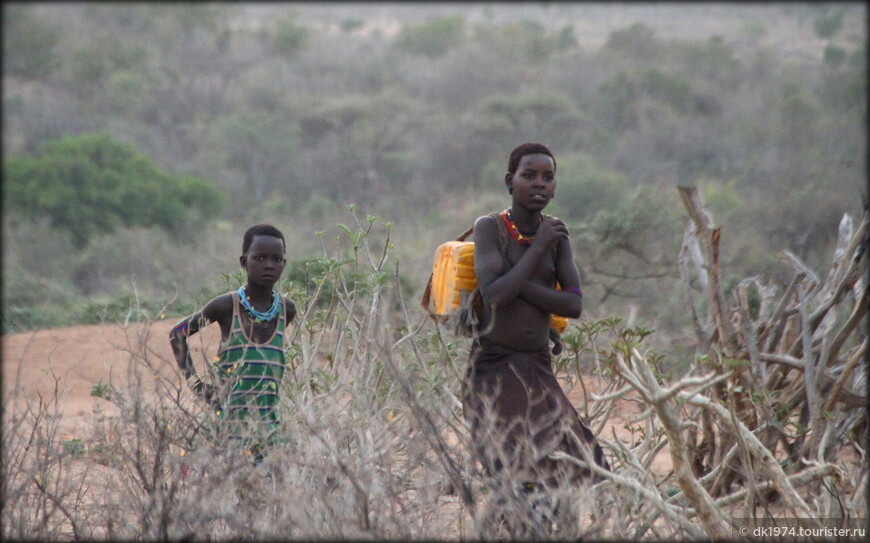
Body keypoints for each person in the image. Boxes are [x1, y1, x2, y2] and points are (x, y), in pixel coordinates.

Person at [461, 143, 610, 527]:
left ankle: (554, 528)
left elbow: (573, 304)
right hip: (495, 366)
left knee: (578, 455)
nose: (539, 184)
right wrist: (536, 251)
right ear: (511, 182)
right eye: (529, 176)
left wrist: (519, 274)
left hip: (537, 367)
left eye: (548, 176)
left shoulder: (556, 233)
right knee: (515, 465)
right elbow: (494, 295)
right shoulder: (490, 228)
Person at [169, 224, 296, 463]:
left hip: (269, 433)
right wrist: (197, 384)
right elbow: (177, 333)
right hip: (226, 432)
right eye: (259, 258)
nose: (269, 265)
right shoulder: (226, 307)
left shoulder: (286, 310)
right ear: (243, 261)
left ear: (284, 264)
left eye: (276, 259)